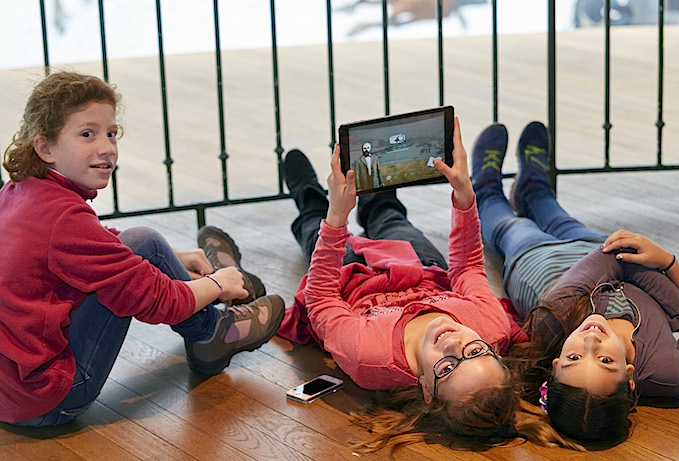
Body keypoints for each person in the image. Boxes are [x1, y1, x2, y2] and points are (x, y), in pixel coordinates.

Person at [0, 71, 285, 427]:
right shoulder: (63, 217)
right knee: (146, 245)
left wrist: (173, 258)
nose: (107, 147)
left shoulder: (19, 191)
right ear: (45, 147)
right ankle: (215, 329)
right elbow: (159, 299)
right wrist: (218, 285)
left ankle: (216, 313)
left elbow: (90, 244)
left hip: (9, 393)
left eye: (111, 133)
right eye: (87, 134)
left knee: (143, 243)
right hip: (49, 399)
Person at [471, 120, 679, 448]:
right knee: (558, 216)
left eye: (573, 359)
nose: (589, 343)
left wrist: (668, 275)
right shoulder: (668, 373)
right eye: (605, 361)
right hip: (599, 251)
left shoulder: (554, 318)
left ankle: (486, 184)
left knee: (507, 224)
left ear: (554, 367)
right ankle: (533, 187)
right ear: (630, 377)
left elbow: (617, 259)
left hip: (538, 263)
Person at [277, 118, 527, 453]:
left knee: (314, 225)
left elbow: (321, 299)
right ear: (494, 349)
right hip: (421, 271)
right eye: (476, 351)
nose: (454, 343)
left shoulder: (370, 357)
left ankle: (307, 193)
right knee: (391, 218)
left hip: (354, 282)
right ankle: (373, 183)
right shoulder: (491, 326)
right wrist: (464, 195)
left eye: (449, 366)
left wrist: (336, 217)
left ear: (426, 389)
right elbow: (467, 268)